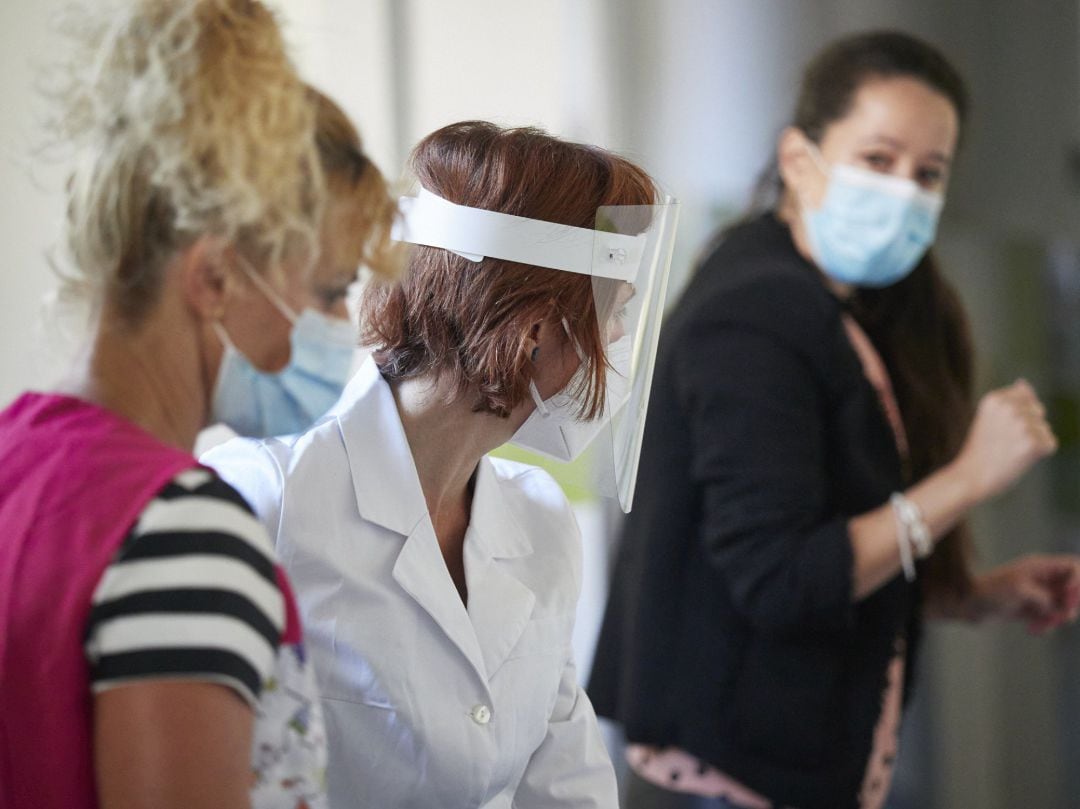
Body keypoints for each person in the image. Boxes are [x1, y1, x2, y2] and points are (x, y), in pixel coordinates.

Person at [587, 30, 1080, 809]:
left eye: (928, 173)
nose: (904, 192)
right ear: (798, 160)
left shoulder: (838, 303)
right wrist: (967, 479)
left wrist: (971, 594)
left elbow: (829, 541)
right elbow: (781, 579)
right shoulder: (754, 313)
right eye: (878, 160)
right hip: (725, 777)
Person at [204, 120, 679, 808]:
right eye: (612, 317)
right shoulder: (263, 498)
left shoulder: (539, 518)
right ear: (535, 331)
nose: (616, 350)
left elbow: (567, 786)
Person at [0, 3, 397, 807]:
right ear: (214, 278)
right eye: (326, 292)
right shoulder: (181, 532)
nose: (342, 330)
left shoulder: (16, 458)